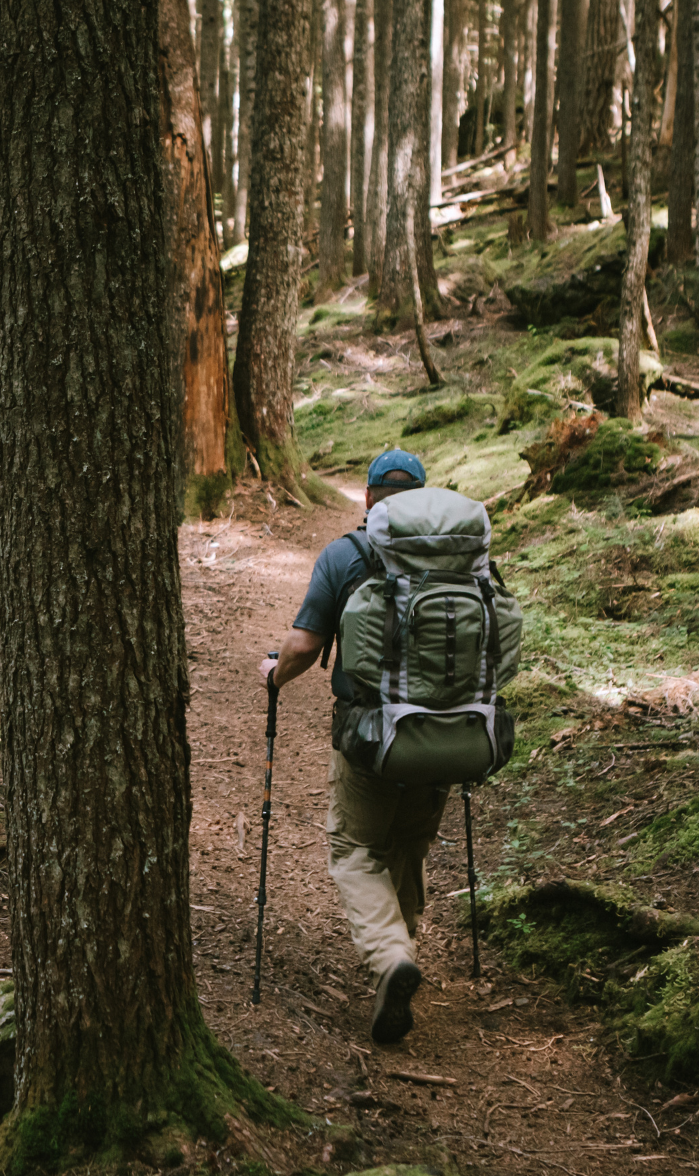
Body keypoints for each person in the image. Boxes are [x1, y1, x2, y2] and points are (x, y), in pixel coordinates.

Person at [260, 448, 443, 1045]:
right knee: (408, 845)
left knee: (355, 849)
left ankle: (392, 960)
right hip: (447, 733)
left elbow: (305, 645)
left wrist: (275, 676)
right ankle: (400, 959)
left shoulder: (346, 555)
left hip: (371, 736)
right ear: (423, 497)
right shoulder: (457, 557)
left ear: (368, 498)